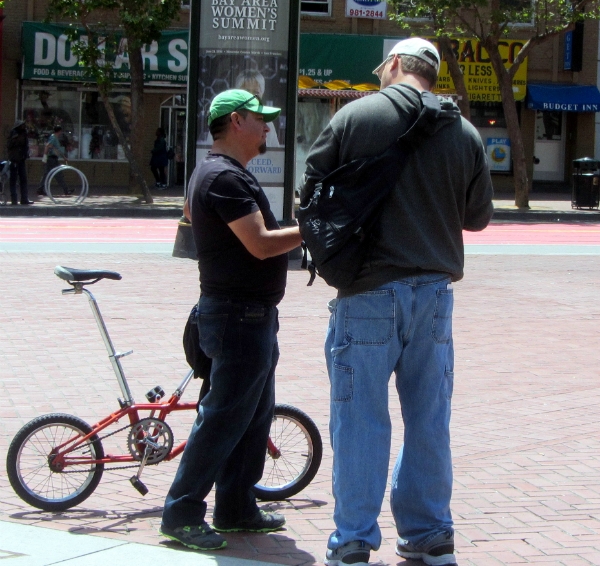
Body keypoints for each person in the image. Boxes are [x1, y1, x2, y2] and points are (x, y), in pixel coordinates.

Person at [300, 38, 494, 566]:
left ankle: (355, 541)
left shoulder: (356, 116)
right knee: (429, 417)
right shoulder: (464, 131)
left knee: (360, 417)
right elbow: (477, 217)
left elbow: (310, 192)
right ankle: (430, 532)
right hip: (433, 292)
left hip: (366, 289)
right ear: (431, 73)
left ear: (392, 66)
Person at [160, 89, 302, 551]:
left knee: (253, 417)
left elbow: (190, 216)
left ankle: (236, 506)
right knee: (222, 419)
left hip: (248, 315)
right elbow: (260, 243)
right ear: (236, 121)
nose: (268, 128)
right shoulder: (225, 178)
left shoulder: (216, 173)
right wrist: (316, 227)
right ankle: (181, 513)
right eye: (261, 120)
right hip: (239, 317)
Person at [37, 125, 71, 196]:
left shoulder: (54, 138)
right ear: (59, 131)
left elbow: (57, 150)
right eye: (61, 131)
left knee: (46, 174)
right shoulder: (53, 138)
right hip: (52, 159)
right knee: (58, 173)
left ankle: (40, 189)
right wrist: (44, 157)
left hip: (52, 158)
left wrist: (64, 157)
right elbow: (47, 146)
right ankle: (66, 190)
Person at [6, 120, 33, 205]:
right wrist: (16, 139)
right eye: (22, 125)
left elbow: (25, 146)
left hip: (21, 159)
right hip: (14, 160)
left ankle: (24, 199)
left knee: (23, 180)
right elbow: (9, 146)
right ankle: (14, 200)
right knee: (13, 180)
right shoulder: (14, 133)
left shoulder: (24, 133)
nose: (24, 126)